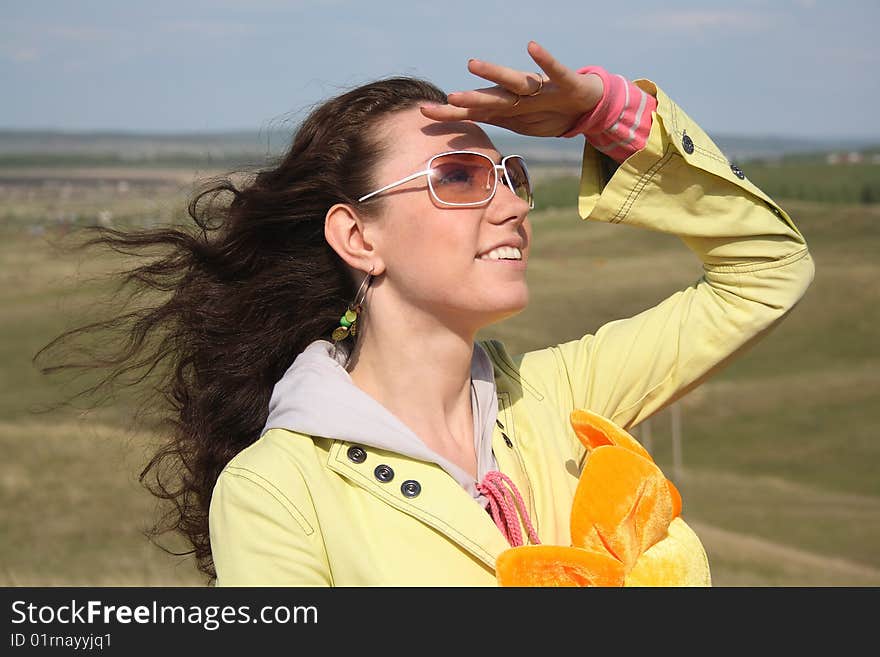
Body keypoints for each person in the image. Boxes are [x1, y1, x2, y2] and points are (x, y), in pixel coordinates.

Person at [38, 41, 814, 586]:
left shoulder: (558, 399)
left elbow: (769, 270)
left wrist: (608, 119)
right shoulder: (279, 491)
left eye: (508, 174)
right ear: (357, 235)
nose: (512, 203)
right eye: (459, 176)